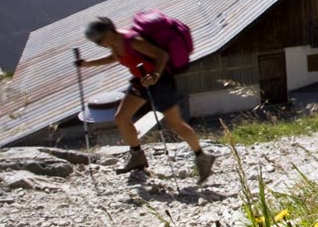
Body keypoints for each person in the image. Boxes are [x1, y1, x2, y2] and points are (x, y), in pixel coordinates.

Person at [76, 17, 215, 182]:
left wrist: (155, 75)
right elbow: (115, 57)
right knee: (121, 118)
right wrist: (88, 64)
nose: (98, 44)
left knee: (175, 124)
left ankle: (202, 157)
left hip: (160, 81)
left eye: (99, 40)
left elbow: (161, 55)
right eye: (95, 42)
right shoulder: (114, 43)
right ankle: (137, 157)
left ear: (109, 32)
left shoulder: (133, 40)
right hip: (140, 81)